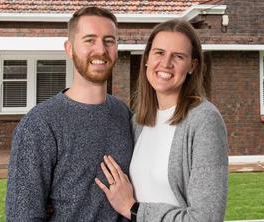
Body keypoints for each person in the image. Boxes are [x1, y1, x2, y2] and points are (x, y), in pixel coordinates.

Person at [6, 6, 133, 221]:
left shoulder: (124, 115)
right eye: (90, 40)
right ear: (69, 48)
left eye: (109, 41)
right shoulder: (39, 125)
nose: (101, 50)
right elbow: (22, 215)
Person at [95, 19, 229, 222]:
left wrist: (134, 210)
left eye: (178, 56)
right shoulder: (138, 121)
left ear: (192, 65)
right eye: (159, 52)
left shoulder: (204, 121)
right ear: (147, 58)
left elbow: (206, 218)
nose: (166, 63)